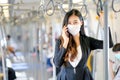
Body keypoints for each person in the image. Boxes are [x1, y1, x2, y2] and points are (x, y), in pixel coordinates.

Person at [53, 9, 113, 80]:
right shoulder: (60, 42)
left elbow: (108, 44)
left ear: (81, 23)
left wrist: (105, 25)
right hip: (65, 77)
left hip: (84, 77)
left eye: (75, 22)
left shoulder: (87, 41)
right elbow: (57, 63)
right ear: (65, 26)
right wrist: (65, 42)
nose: (72, 25)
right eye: (69, 23)